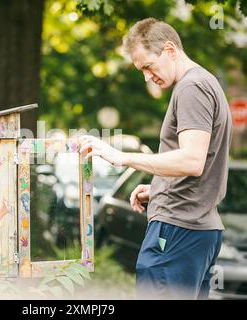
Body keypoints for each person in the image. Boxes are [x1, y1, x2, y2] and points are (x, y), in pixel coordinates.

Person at [79, 17, 232, 299]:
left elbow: (192, 161)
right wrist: (159, 187)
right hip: (195, 229)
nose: (147, 77)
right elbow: (203, 163)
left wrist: (121, 157)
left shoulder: (191, 88)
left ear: (170, 50)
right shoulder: (205, 82)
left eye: (148, 66)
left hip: (178, 229)